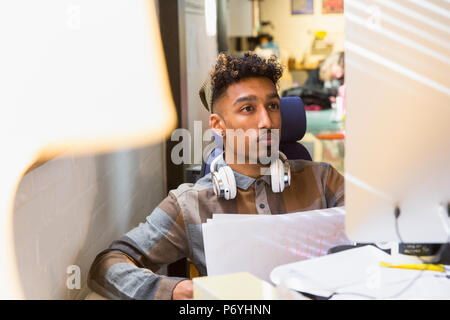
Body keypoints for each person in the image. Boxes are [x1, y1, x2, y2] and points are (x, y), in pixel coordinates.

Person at [87, 52, 345, 300]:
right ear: (218, 125)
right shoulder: (191, 203)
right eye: (247, 108)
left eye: (273, 105)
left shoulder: (322, 180)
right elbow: (107, 265)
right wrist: (175, 291)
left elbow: (377, 234)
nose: (267, 121)